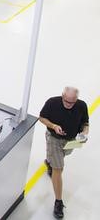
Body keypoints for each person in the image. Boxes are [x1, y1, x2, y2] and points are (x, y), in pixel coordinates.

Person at [39, 87, 90, 219]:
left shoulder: (82, 106)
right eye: (66, 101)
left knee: (62, 156)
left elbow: (85, 123)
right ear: (62, 96)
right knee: (59, 169)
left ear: (76, 100)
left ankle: (49, 161)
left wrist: (84, 134)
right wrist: (54, 126)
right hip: (54, 139)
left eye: (72, 102)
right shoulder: (52, 103)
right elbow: (42, 118)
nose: (68, 104)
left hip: (71, 141)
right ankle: (58, 202)